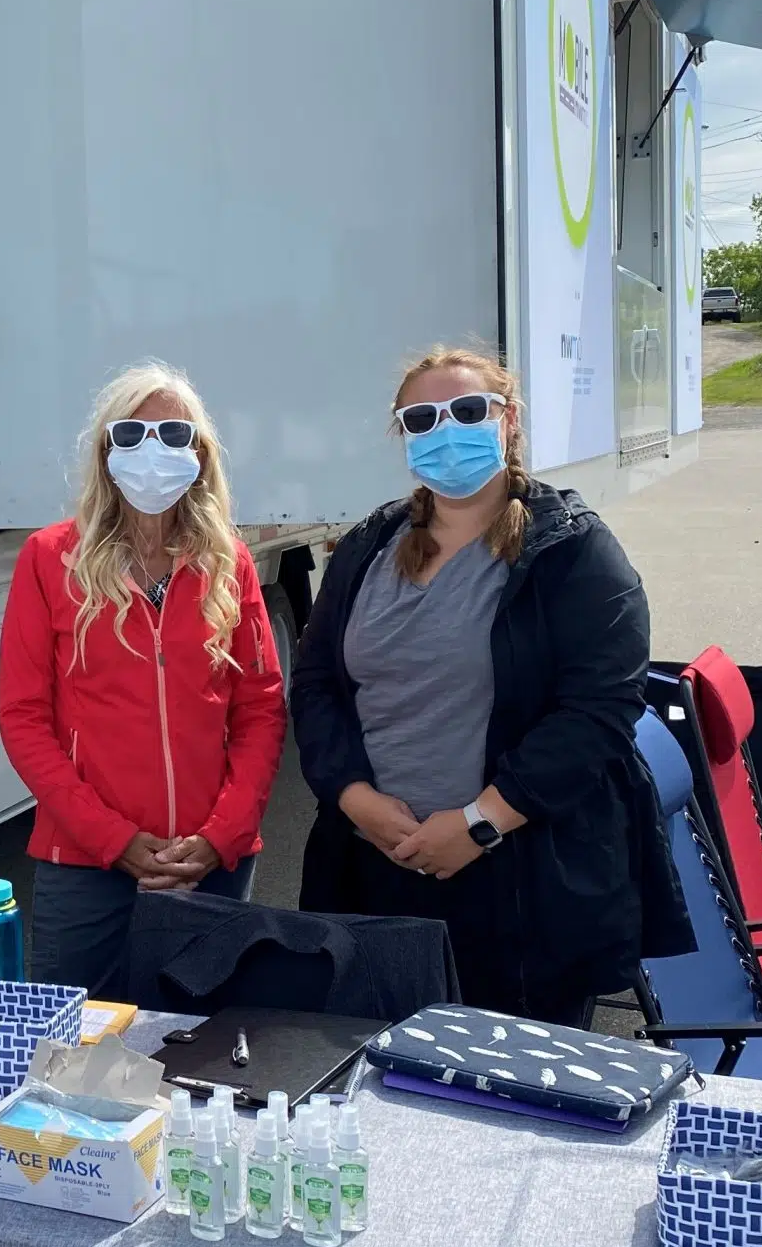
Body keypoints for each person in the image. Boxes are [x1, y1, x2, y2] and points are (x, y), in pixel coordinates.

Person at [289, 346, 687, 1025]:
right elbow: (317, 682)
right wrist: (355, 799)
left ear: (509, 420)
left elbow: (599, 711)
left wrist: (478, 824)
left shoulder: (573, 549)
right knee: (380, 1081)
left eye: (468, 409)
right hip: (374, 869)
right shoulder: (368, 547)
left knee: (519, 1099)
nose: (446, 430)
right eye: (422, 418)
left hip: (519, 881)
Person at [0, 364, 287, 998]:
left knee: (206, 1052)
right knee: (73, 1057)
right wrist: (115, 839)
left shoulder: (228, 562)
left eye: (173, 435)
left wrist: (221, 836)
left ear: (200, 456)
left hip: (208, 862)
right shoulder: (49, 559)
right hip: (84, 865)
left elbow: (261, 708)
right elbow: (23, 719)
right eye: (131, 433)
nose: (151, 451)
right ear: (105, 454)